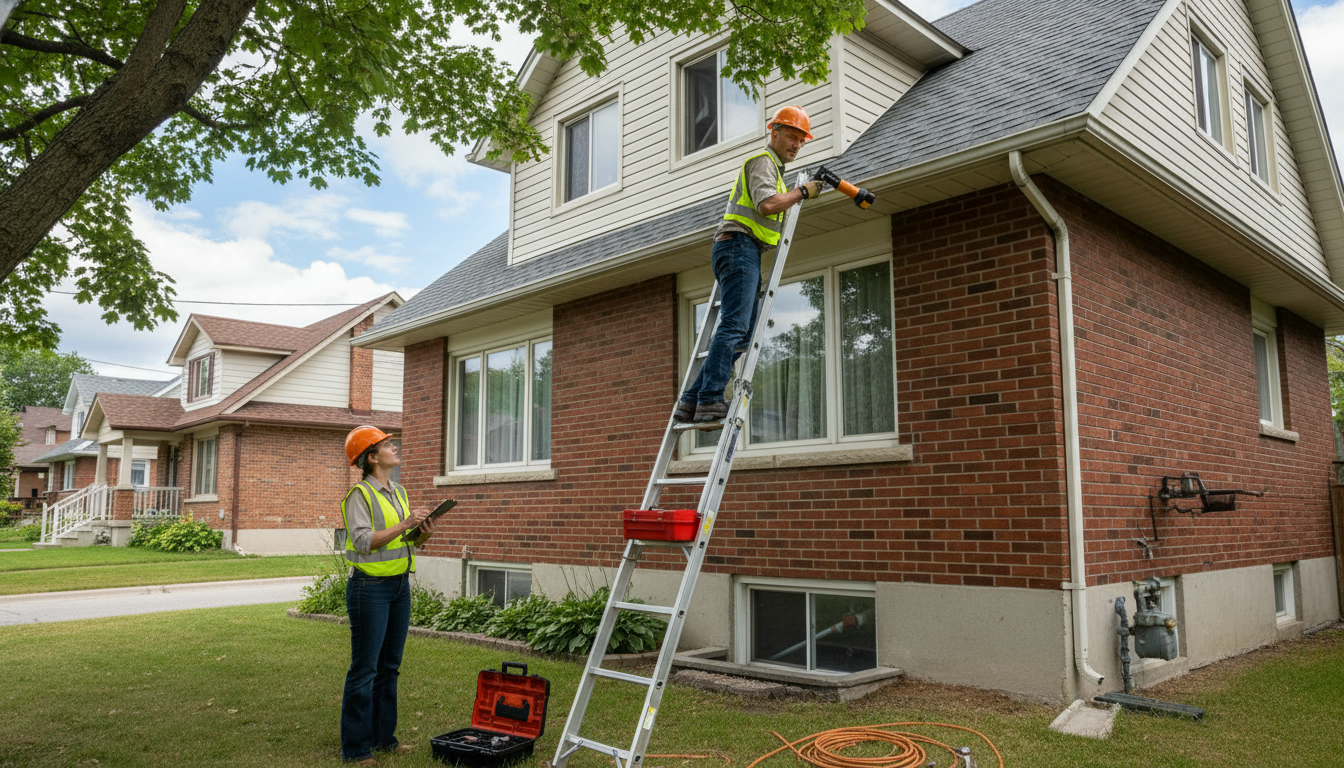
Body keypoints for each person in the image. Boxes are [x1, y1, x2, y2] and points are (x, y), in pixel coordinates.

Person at [674, 105, 824, 423]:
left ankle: (691, 401)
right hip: (738, 247)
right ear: (775, 132)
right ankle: (711, 398)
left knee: (743, 334)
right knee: (733, 326)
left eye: (801, 140)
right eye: (792, 137)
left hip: (745, 250)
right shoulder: (762, 162)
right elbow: (767, 204)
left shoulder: (775, 171)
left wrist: (796, 193)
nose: (796, 145)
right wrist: (801, 193)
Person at [338, 425, 435, 765]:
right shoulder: (359, 496)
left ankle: (384, 740)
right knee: (365, 669)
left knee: (390, 667)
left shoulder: (399, 492)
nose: (395, 448)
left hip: (398, 587)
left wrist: (421, 533)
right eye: (387, 445)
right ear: (372, 457)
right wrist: (405, 524)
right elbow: (364, 541)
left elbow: (404, 542)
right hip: (369, 589)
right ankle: (356, 749)